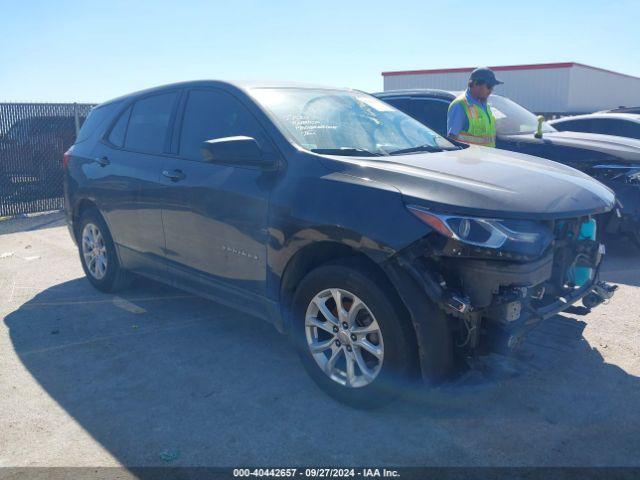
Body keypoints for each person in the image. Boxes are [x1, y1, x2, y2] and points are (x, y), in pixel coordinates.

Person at [447, 67, 503, 147]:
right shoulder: (460, 105)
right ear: (475, 84)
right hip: (470, 158)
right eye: (489, 86)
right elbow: (452, 139)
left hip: (488, 156)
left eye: (492, 88)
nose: (491, 91)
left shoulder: (484, 105)